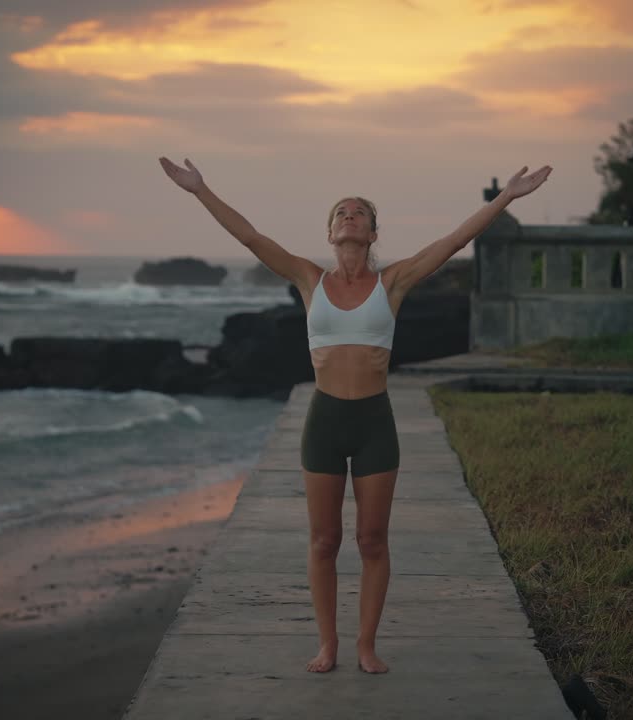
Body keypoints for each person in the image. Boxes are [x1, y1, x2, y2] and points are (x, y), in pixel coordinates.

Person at [158, 156, 552, 674]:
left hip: (373, 423)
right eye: (341, 212)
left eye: (360, 212)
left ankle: (366, 644)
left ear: (371, 232)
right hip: (324, 420)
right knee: (324, 540)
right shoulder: (307, 278)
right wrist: (199, 189)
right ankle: (328, 645)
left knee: (371, 540)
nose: (350, 215)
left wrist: (506, 198)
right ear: (330, 232)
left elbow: (454, 242)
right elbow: (251, 238)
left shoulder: (394, 283)